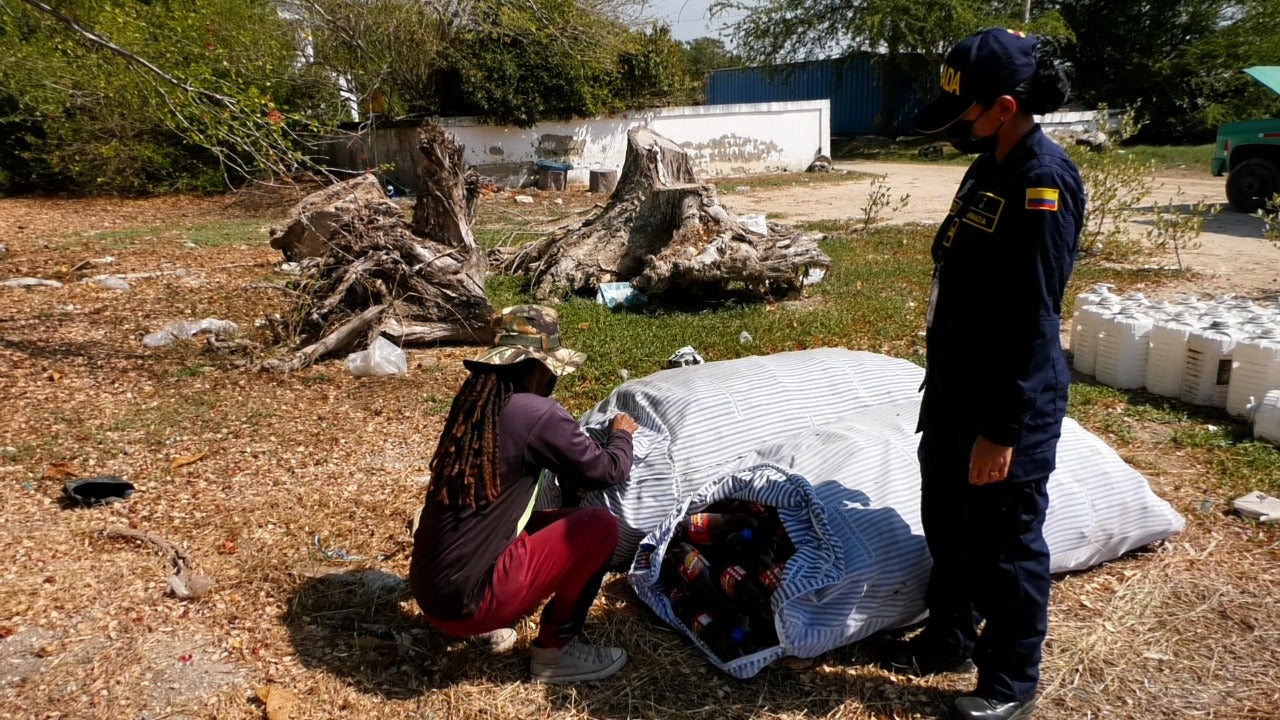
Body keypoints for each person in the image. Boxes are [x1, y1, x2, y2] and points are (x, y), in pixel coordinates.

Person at [882, 29, 1084, 720]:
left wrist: (1002, 432)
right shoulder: (987, 167)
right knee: (948, 525)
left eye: (964, 113)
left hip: (1006, 404)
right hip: (954, 392)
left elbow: (1033, 319)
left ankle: (1008, 683)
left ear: (1003, 106)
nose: (955, 129)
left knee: (1004, 547)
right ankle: (948, 639)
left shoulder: (1042, 181)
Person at [408, 304, 639, 683]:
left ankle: (489, 619)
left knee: (558, 522)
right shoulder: (536, 414)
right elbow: (606, 471)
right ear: (537, 366)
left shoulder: (475, 403)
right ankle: (555, 653)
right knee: (599, 526)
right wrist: (622, 435)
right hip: (468, 607)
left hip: (432, 593)